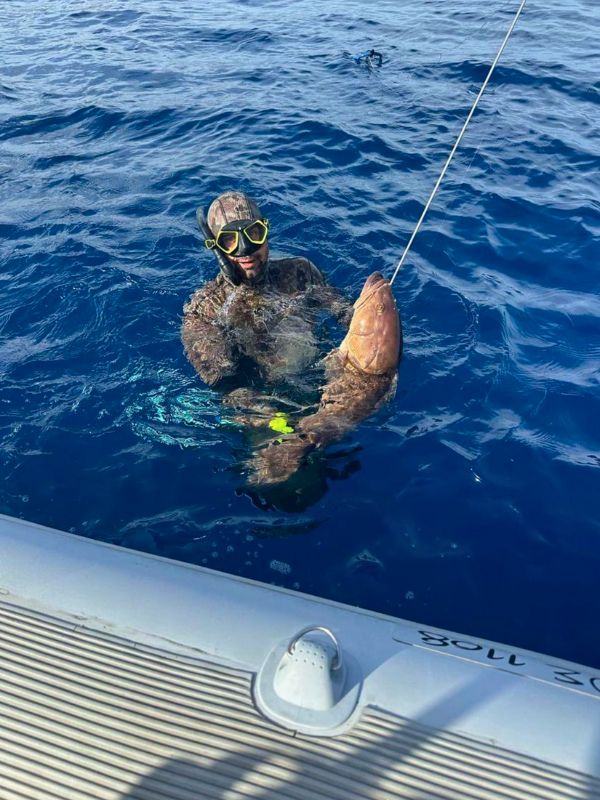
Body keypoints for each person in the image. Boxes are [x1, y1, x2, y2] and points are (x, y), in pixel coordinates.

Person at [182, 190, 401, 487]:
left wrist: (369, 323)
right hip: (266, 405)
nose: (245, 250)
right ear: (217, 249)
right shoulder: (205, 309)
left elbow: (338, 307)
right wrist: (280, 425)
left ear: (266, 232)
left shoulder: (301, 272)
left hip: (322, 381)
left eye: (254, 234)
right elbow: (228, 388)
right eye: (230, 241)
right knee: (290, 486)